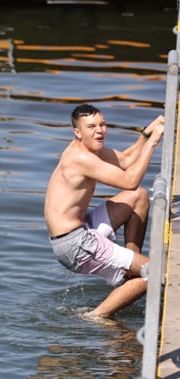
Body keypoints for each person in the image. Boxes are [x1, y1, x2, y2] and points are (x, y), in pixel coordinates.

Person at [44, 104, 164, 318]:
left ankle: (130, 272)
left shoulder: (88, 149)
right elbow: (129, 179)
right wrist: (153, 143)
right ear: (77, 132)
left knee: (139, 196)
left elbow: (126, 161)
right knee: (154, 272)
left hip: (83, 228)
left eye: (103, 124)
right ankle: (96, 316)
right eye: (91, 127)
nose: (99, 131)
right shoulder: (80, 158)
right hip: (75, 245)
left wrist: (147, 133)